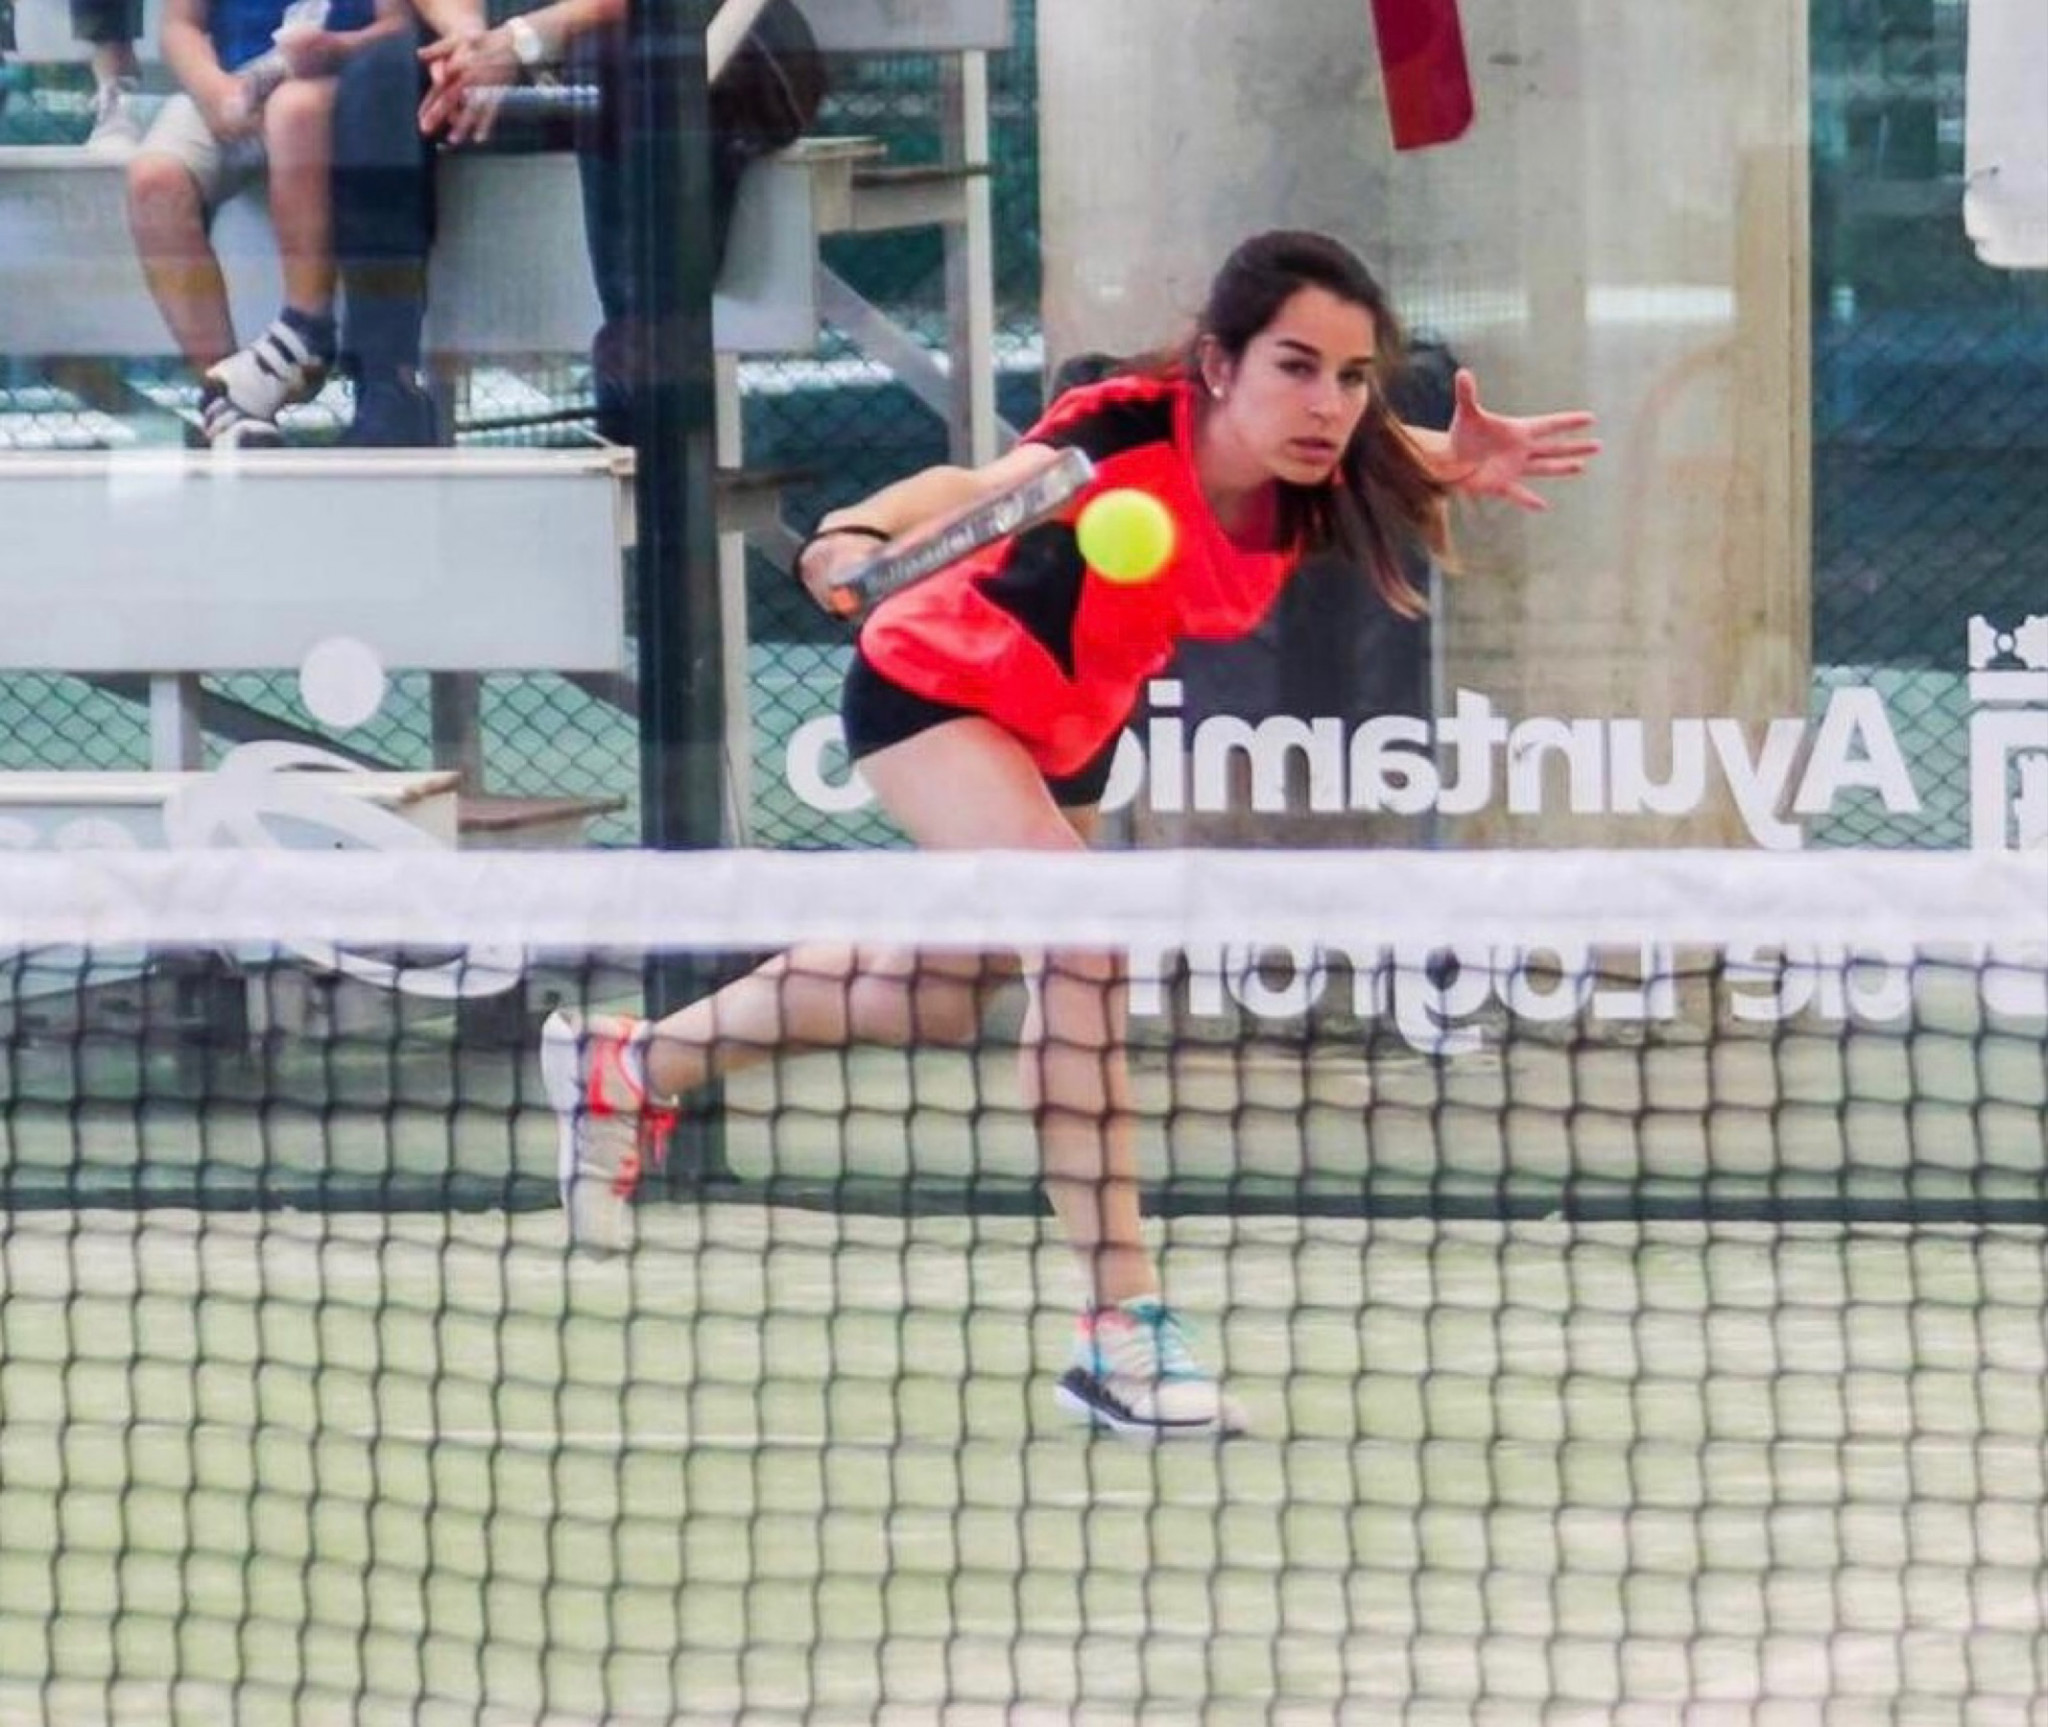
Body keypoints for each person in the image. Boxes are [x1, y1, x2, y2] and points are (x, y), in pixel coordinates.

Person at [540, 229, 1601, 1440]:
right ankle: (1118, 1329)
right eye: (1296, 365)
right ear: (1218, 363)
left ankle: (626, 1066)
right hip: (937, 684)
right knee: (1083, 939)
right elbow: (971, 488)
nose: (1328, 402)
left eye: (1353, 376)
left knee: (941, 992)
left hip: (1068, 724)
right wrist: (852, 531)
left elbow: (1376, 442)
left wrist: (1452, 454)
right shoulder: (1120, 438)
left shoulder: (1324, 461)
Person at [415, 0, 823, 443]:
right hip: (553, 68)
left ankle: (651, 434)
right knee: (389, 68)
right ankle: (385, 382)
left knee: (623, 53)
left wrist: (517, 41)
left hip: (723, 42)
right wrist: (468, 38)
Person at [125, 0, 400, 445]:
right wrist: (215, 92)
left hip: (338, 86)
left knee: (295, 112)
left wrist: (338, 47)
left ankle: (306, 329)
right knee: (154, 181)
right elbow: (180, 26)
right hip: (234, 83)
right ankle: (225, 402)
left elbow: (398, 27)